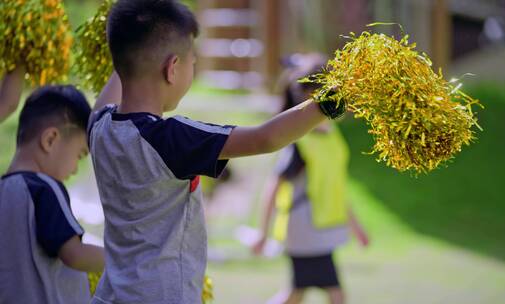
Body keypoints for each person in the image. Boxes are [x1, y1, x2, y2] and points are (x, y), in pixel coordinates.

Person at [87, 0, 347, 303]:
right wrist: (332, 100)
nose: (193, 70)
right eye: (193, 62)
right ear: (172, 68)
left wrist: (130, 22)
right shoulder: (171, 139)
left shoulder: (99, 127)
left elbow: (126, 60)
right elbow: (265, 139)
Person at [252, 54, 370, 304]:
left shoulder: (332, 135)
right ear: (307, 97)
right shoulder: (296, 141)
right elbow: (274, 187)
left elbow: (333, 185)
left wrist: (355, 225)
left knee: (296, 295)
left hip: (320, 229)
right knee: (335, 295)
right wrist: (263, 233)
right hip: (304, 230)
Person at [0, 85, 105, 304]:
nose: (75, 168)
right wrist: (126, 258)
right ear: (50, 140)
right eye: (79, 154)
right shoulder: (45, 188)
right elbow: (74, 254)